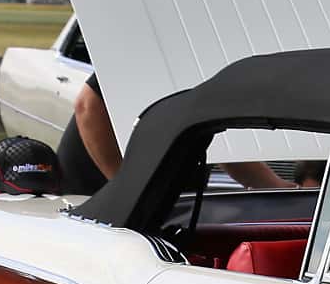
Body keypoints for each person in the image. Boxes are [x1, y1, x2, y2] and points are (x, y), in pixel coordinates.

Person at [54, 73, 289, 194]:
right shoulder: (156, 38)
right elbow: (88, 106)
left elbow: (218, 129)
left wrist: (273, 187)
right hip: (94, 189)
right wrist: (124, 187)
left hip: (163, 191)